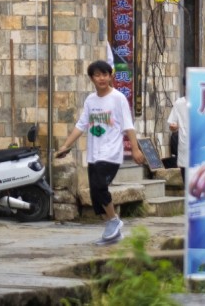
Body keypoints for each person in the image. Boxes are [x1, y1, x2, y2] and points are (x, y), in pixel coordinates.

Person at [55, 59, 146, 244]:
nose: (102, 78)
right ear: (91, 78)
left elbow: (128, 126)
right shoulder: (90, 100)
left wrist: (135, 150)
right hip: (94, 154)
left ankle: (114, 221)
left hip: (111, 153)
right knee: (95, 194)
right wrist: (65, 146)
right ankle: (112, 232)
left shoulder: (118, 98)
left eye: (105, 74)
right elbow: (81, 125)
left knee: (99, 187)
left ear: (110, 76)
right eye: (97, 75)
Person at [166, 95, 189, 181]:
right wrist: (173, 127)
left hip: (201, 149)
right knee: (186, 181)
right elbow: (172, 124)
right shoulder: (179, 103)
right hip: (185, 148)